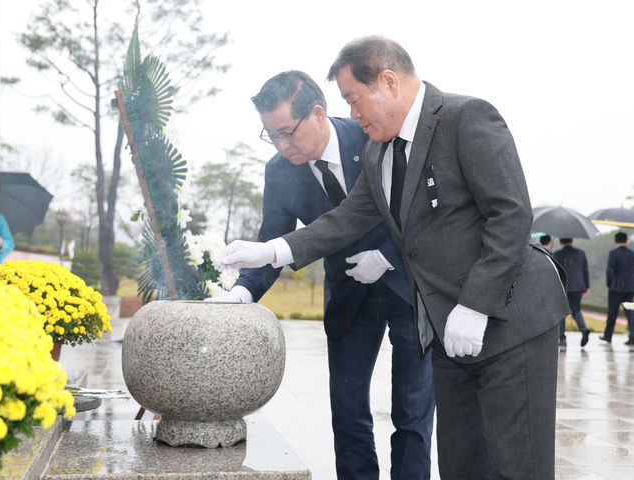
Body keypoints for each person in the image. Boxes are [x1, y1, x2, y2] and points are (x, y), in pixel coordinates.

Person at [216, 36, 570, 480]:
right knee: (461, 463)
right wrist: (269, 251)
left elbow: (512, 214)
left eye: (354, 99)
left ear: (388, 81)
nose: (354, 112)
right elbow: (345, 219)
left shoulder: (466, 117)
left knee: (516, 463)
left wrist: (475, 303)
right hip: (444, 325)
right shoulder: (381, 150)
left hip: (508, 319)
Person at [209, 71, 434, 480]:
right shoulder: (280, 171)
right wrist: (240, 294)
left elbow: (419, 208)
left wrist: (386, 255)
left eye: (287, 133)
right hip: (348, 294)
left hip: (406, 284)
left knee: (412, 409)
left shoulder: (373, 135)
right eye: (270, 135)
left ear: (317, 114)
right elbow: (273, 241)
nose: (281, 145)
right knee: (347, 411)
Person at [600, 232, 634, 346]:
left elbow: (609, 271)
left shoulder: (613, 254)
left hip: (616, 287)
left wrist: (609, 284)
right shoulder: (633, 254)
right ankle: (633, 337)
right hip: (630, 287)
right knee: (631, 314)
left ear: (615, 241)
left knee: (612, 313)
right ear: (626, 241)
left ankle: (608, 336)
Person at [553, 238, 591, 347]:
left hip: (563, 286)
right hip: (578, 286)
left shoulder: (557, 254)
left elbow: (555, 272)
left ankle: (562, 338)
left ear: (560, 242)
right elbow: (585, 271)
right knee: (576, 310)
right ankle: (583, 329)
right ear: (572, 241)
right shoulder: (581, 253)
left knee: (562, 311)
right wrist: (586, 286)